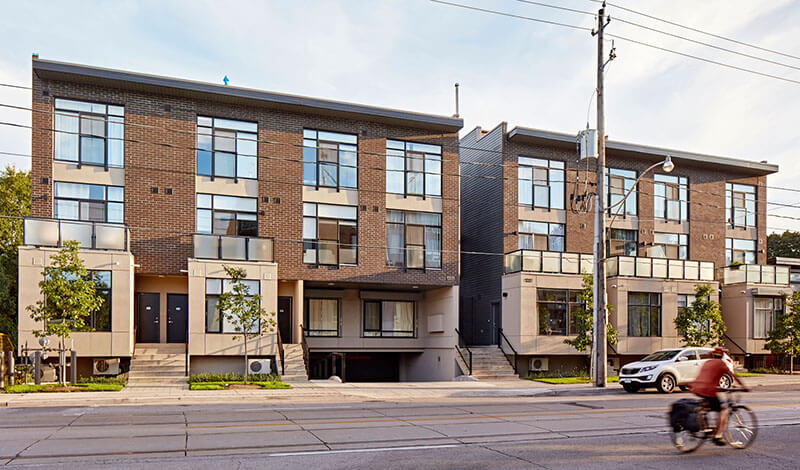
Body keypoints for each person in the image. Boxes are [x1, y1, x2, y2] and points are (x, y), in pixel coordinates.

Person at [689, 347, 747, 446]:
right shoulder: (721, 364)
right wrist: (743, 386)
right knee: (723, 410)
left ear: (713, 355)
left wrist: (718, 387)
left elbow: (708, 377)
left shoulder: (707, 362)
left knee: (707, 406)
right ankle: (718, 436)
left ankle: (703, 423)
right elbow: (733, 376)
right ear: (722, 356)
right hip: (708, 390)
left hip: (696, 387)